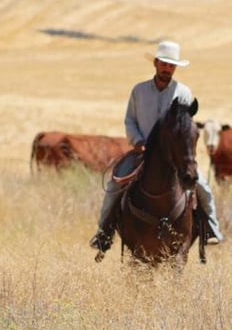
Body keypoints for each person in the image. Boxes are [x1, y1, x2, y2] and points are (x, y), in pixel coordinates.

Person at [89, 40, 224, 252]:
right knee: (115, 184)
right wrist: (137, 141)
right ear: (156, 63)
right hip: (142, 152)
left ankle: (211, 230)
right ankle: (103, 233)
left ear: (175, 68)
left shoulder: (183, 93)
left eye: (171, 65)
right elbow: (130, 120)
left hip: (174, 156)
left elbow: (185, 126)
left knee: (203, 187)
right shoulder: (139, 91)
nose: (167, 68)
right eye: (164, 63)